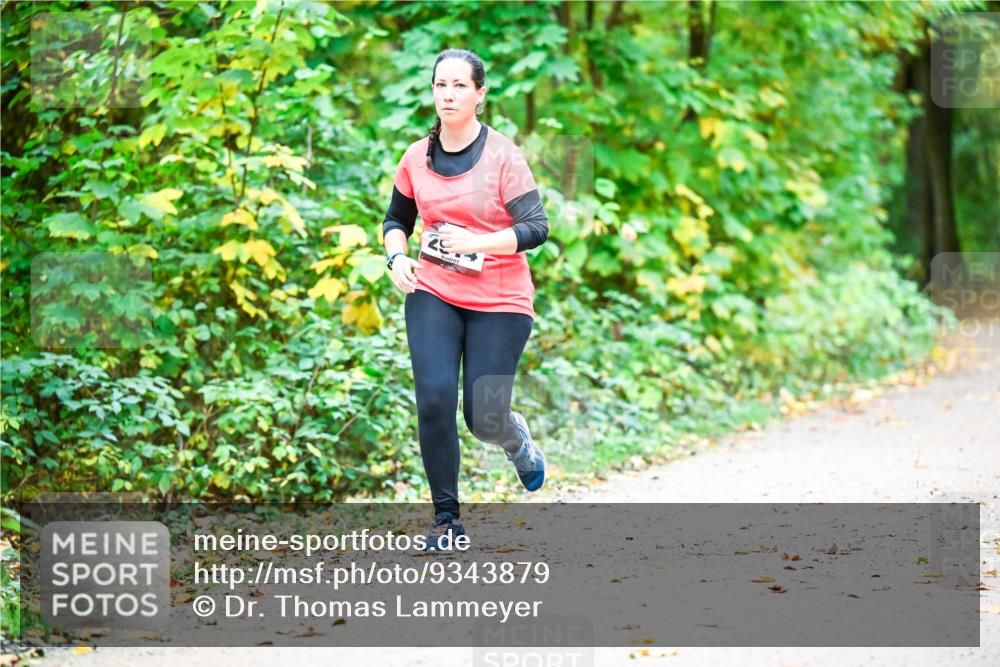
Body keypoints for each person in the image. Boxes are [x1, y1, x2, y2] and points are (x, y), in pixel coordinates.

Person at [381, 48, 550, 550]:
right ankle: (447, 521)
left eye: (459, 85)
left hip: (500, 298)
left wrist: (478, 242)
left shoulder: (503, 155)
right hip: (435, 288)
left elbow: (536, 227)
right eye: (440, 85)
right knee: (434, 398)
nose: (448, 94)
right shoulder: (416, 156)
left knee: (483, 416)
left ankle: (514, 437)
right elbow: (397, 222)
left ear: (480, 93)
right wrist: (396, 259)